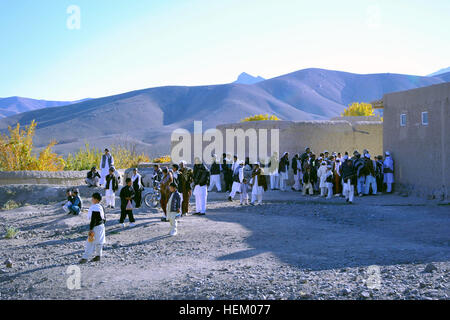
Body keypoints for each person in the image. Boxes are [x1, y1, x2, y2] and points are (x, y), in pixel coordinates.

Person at [79, 193, 106, 264]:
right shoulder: (101, 206)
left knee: (90, 242)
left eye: (92, 198)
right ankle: (98, 256)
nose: (92, 200)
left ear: (96, 199)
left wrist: (91, 229)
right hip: (101, 226)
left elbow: (93, 219)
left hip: (96, 227)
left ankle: (85, 258)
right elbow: (104, 218)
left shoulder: (95, 207)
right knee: (99, 242)